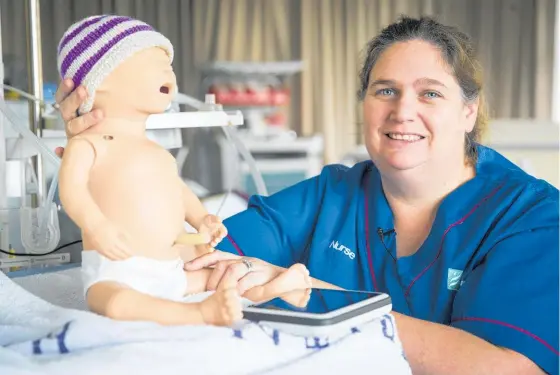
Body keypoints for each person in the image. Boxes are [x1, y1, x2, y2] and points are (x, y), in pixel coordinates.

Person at [55, 16, 558, 375]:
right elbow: (182, 268)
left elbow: (505, 366)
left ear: (469, 111)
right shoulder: (331, 196)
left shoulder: (530, 216)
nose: (403, 111)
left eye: (430, 93)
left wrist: (308, 296)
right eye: (384, 90)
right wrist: (110, 149)